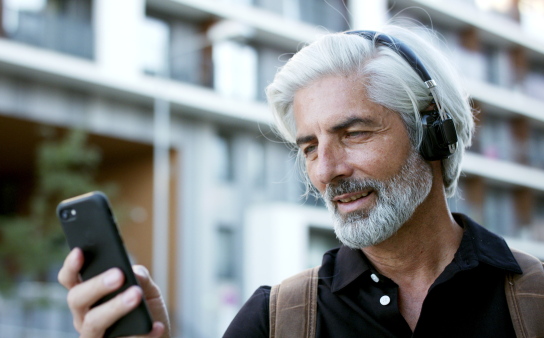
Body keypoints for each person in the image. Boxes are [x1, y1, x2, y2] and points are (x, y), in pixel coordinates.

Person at [58, 24, 544, 338]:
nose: (326, 171)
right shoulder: (275, 321)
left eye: (353, 134)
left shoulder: (535, 302)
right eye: (309, 147)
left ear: (434, 133)